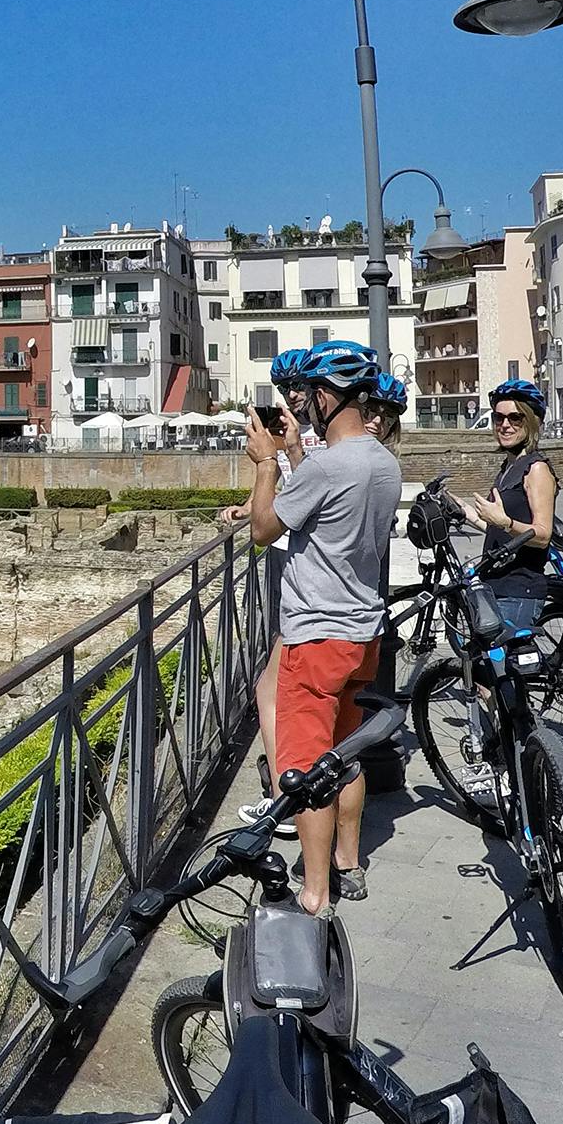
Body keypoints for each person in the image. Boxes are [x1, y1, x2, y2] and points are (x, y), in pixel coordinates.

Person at [245, 339, 402, 918]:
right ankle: (348, 862)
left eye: (310, 393)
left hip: (314, 637)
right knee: (346, 752)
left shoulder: (331, 467)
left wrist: (266, 464)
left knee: (308, 767)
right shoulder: (383, 462)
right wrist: (292, 457)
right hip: (362, 631)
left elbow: (264, 529)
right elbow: (327, 500)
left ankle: (314, 895)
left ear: (329, 396)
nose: (303, 404)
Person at [223, 349, 320, 836]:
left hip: (310, 578)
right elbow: (283, 488)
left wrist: (280, 458)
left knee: (274, 689)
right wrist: (248, 505)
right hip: (297, 569)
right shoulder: (301, 437)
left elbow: (296, 495)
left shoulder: (321, 441)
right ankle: (292, 790)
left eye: (299, 386)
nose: (291, 396)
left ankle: (284, 798)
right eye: (284, 390)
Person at [461, 379, 558, 635]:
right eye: (499, 418)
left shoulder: (536, 469)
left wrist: (505, 522)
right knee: (490, 670)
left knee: (508, 672)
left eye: (515, 418)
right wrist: (464, 512)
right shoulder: (509, 467)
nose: (505, 425)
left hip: (519, 591)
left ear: (531, 421)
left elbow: (543, 534)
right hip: (495, 585)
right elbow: (500, 532)